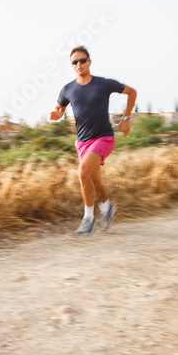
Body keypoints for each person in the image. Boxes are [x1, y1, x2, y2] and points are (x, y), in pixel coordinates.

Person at [50, 46, 137, 235]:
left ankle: (88, 218)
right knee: (95, 180)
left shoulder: (103, 84)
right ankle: (107, 208)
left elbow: (132, 92)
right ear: (72, 65)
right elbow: (59, 108)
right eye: (75, 62)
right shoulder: (67, 89)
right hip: (82, 142)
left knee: (83, 172)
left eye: (82, 60)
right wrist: (56, 115)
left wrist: (126, 119)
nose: (79, 64)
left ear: (89, 62)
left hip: (103, 138)